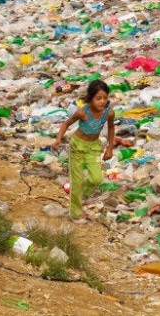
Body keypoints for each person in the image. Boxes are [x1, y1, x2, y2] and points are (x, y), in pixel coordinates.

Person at [54, 79, 115, 222]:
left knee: (96, 178)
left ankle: (79, 194)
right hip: (77, 147)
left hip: (93, 147)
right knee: (77, 181)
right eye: (98, 98)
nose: (102, 101)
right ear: (91, 98)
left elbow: (111, 128)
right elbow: (66, 124)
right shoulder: (83, 112)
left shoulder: (109, 113)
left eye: (105, 98)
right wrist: (58, 139)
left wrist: (110, 148)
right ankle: (75, 214)